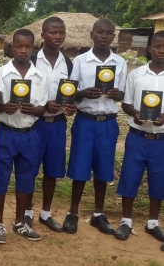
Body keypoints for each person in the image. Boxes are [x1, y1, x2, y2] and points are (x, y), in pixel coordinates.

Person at [63, 19, 127, 235]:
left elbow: (125, 93)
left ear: (113, 37)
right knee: (79, 168)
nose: (104, 36)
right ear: (91, 34)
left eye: (109, 33)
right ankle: (72, 212)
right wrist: (82, 93)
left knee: (103, 169)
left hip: (108, 123)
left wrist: (119, 95)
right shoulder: (81, 61)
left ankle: (99, 214)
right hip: (85, 121)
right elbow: (69, 92)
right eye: (100, 32)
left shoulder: (120, 62)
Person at [0, 28, 48, 243]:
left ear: (33, 48)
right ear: (11, 47)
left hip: (29, 134)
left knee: (26, 180)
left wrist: (32, 110)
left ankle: (19, 222)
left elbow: (42, 108)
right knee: (2, 179)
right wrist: (4, 107)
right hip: (7, 133)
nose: (23, 51)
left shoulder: (40, 77)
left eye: (28, 46)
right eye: (19, 46)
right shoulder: (1, 74)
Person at [25, 17, 76, 231]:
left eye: (61, 33)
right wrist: (44, 104)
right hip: (35, 123)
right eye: (53, 32)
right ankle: (26, 211)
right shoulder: (32, 60)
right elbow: (24, 91)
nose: (58, 37)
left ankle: (45, 213)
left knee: (52, 170)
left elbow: (69, 93)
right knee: (29, 168)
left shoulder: (68, 63)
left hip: (57, 124)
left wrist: (71, 106)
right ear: (43, 35)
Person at [114, 31, 164, 250]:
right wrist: (135, 113)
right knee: (130, 176)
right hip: (137, 136)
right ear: (149, 48)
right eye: (157, 46)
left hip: (161, 139)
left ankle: (153, 222)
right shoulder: (136, 75)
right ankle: (126, 220)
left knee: (159, 179)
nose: (161, 50)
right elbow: (125, 103)